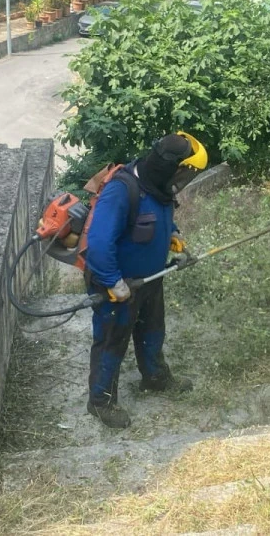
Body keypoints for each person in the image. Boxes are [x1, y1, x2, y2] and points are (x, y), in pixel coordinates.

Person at [84, 132, 208, 429]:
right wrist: (114, 282)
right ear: (171, 168)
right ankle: (100, 401)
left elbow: (161, 214)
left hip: (150, 278)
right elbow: (98, 243)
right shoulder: (122, 190)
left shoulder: (159, 186)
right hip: (117, 285)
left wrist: (173, 234)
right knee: (112, 341)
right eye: (185, 173)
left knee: (152, 330)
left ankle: (155, 377)